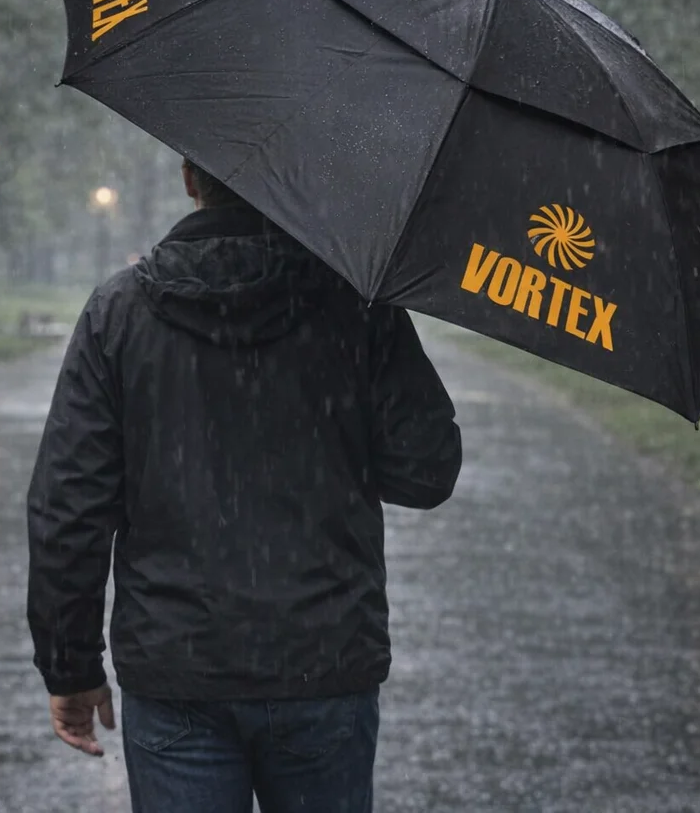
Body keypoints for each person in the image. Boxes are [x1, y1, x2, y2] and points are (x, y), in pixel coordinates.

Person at [27, 158, 463, 812]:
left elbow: (70, 506)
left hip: (178, 667)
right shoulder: (353, 306)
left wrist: (71, 666)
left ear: (189, 179)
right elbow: (426, 470)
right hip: (321, 659)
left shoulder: (118, 314)